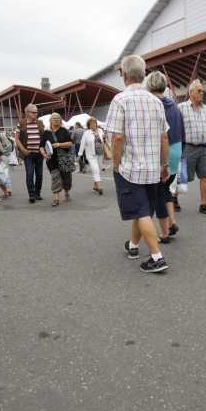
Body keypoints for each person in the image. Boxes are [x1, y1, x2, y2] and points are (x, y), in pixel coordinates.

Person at [106, 55, 170, 273]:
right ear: (143, 74)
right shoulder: (156, 101)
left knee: (141, 211)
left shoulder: (120, 100)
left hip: (130, 168)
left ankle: (157, 257)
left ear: (124, 75)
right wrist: (164, 164)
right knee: (143, 209)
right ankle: (133, 246)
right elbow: (164, 137)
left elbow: (117, 137)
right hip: (152, 168)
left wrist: (116, 164)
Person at [146, 72, 184, 242]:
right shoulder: (174, 106)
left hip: (164, 152)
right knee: (166, 188)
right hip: (177, 150)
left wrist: (163, 162)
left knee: (158, 194)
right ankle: (172, 222)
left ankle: (164, 233)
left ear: (149, 86)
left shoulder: (154, 105)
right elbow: (182, 131)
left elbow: (159, 135)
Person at [178, 79, 206, 215]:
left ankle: (203, 205)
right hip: (188, 147)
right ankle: (174, 199)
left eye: (203, 91)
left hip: (204, 148)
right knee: (183, 177)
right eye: (199, 91)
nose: (202, 93)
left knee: (205, 175)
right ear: (191, 93)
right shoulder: (181, 107)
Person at [39, 113, 74, 206]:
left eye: (58, 118)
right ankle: (56, 198)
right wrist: (44, 154)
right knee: (55, 178)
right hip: (52, 160)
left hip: (65, 159)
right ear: (50, 120)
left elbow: (70, 143)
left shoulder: (64, 131)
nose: (56, 119)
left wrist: (59, 144)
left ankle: (66, 191)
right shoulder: (46, 133)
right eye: (54, 118)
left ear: (61, 120)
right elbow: (41, 146)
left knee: (66, 178)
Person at [14, 104, 44, 203]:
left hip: (39, 153)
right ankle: (31, 195)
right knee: (30, 174)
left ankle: (37, 193)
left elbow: (43, 137)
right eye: (33, 112)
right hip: (28, 154)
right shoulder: (21, 123)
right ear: (27, 113)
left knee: (39, 175)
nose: (36, 114)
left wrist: (44, 150)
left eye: (36, 112)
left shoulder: (40, 123)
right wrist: (23, 150)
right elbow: (17, 139)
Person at [77, 117, 105, 195]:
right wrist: (79, 154)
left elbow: (104, 140)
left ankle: (95, 186)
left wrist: (104, 138)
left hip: (100, 153)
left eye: (94, 123)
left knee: (98, 169)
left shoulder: (100, 131)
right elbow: (82, 144)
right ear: (88, 125)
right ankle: (99, 187)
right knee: (95, 169)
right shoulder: (86, 133)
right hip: (91, 155)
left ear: (96, 124)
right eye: (91, 124)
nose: (93, 125)